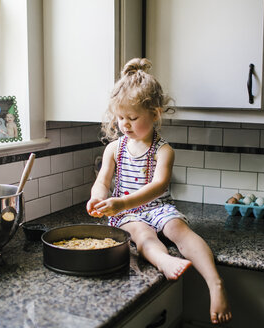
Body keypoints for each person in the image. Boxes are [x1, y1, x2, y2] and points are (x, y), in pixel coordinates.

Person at [86, 58, 232, 324]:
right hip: (128, 215)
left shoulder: (164, 150)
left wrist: (121, 203)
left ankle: (214, 283)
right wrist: (98, 197)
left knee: (179, 231)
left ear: (155, 114)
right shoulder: (113, 149)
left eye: (132, 117)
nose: (125, 124)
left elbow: (159, 186)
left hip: (157, 207)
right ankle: (164, 261)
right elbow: (103, 181)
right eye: (120, 118)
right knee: (142, 235)